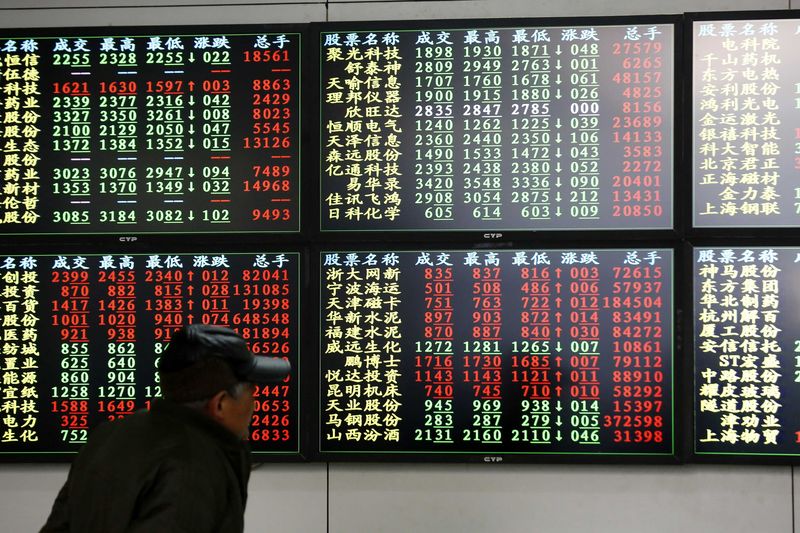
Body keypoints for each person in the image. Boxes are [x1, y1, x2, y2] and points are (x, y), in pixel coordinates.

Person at [40, 324, 291, 533]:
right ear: (221, 404)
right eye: (251, 392)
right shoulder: (194, 465)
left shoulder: (108, 436)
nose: (254, 403)